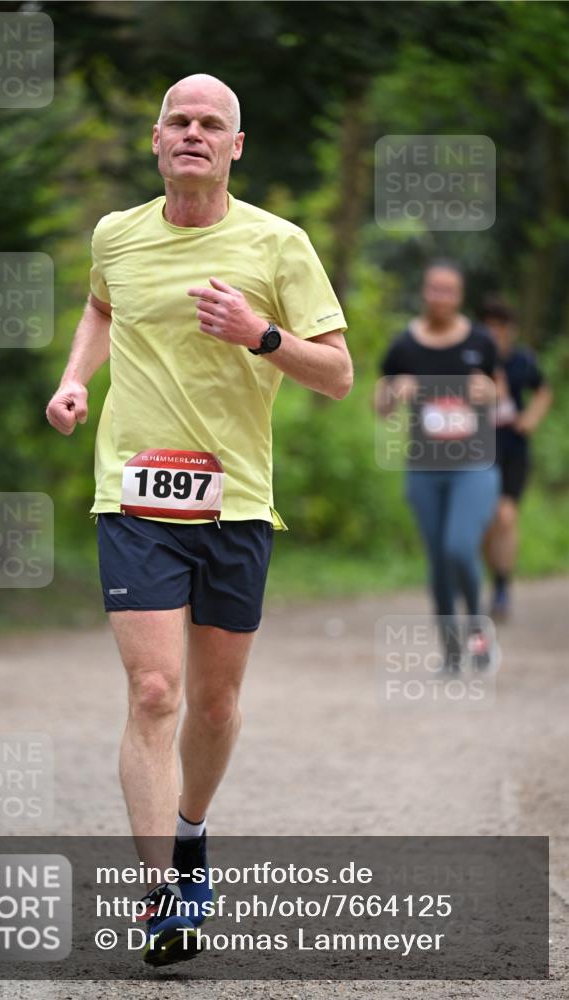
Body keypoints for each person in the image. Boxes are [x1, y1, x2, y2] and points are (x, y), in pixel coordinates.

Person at [46, 73, 352, 966]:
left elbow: (335, 377)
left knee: (213, 706)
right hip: (134, 495)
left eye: (210, 123)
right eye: (177, 121)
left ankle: (192, 830)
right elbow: (103, 306)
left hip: (236, 504)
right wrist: (75, 380)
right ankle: (164, 898)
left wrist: (259, 335)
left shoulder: (279, 244)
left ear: (234, 146)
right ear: (154, 140)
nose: (192, 133)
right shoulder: (117, 235)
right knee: (154, 692)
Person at [375, 261, 500, 672]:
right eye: (434, 289)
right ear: (424, 292)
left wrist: (490, 391)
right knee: (438, 560)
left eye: (449, 291)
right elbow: (380, 407)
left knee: (459, 548)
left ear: (460, 295)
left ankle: (479, 632)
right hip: (424, 467)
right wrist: (394, 391)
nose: (441, 298)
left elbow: (502, 396)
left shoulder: (481, 341)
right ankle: (451, 651)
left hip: (475, 465)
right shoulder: (404, 346)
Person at [479, 299, 552, 620]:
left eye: (500, 327)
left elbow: (543, 390)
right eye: (489, 326)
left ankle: (503, 587)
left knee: (506, 515)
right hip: (478, 444)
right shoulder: (472, 358)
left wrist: (531, 419)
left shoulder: (523, 360)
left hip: (512, 445)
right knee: (484, 522)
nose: (495, 333)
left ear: (510, 330)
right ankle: (492, 579)